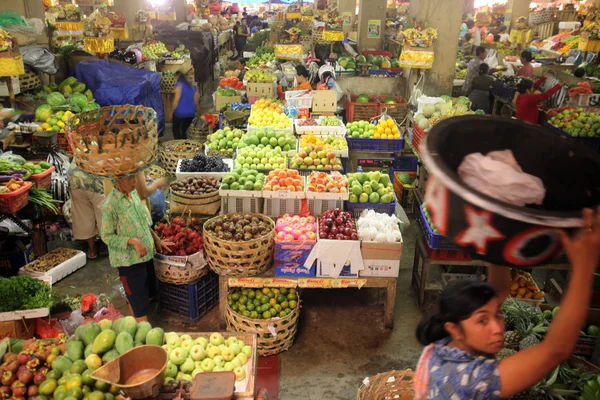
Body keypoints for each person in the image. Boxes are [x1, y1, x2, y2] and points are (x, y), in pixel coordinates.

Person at [414, 208, 600, 400]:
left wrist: (501, 242)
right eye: (482, 321)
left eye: (497, 315)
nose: (497, 328)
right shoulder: (473, 379)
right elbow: (556, 350)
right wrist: (584, 267)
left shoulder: (445, 344)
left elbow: (500, 291)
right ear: (454, 329)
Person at [101, 174, 170, 322]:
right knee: (139, 302)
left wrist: (156, 239)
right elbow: (106, 236)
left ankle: (135, 312)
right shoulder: (111, 205)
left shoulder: (133, 194)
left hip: (146, 255)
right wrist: (132, 241)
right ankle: (143, 337)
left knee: (147, 294)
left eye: (135, 178)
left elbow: (143, 222)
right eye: (130, 179)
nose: (134, 182)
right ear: (118, 181)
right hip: (129, 262)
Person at [67, 160, 105, 259]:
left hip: (74, 176)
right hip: (94, 179)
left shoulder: (79, 145)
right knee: (104, 215)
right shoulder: (101, 145)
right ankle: (111, 248)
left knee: (83, 215)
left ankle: (92, 251)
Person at [172, 70, 199, 140]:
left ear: (177, 77)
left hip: (180, 113)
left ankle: (178, 146)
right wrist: (198, 113)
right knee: (183, 130)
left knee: (176, 129)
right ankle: (185, 145)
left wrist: (171, 112)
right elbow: (196, 101)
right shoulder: (193, 86)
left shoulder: (179, 85)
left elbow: (176, 101)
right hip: (190, 114)